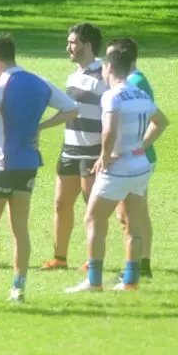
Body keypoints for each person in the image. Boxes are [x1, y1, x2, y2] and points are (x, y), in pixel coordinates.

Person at [0, 33, 78, 304]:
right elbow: (72, 109)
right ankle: (18, 289)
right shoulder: (39, 82)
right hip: (29, 163)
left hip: (0, 164)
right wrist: (41, 126)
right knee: (20, 228)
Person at [65, 45, 168, 293]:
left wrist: (105, 157)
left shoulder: (112, 96)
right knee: (133, 224)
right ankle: (131, 281)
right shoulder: (140, 95)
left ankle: (94, 280)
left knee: (93, 218)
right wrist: (140, 146)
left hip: (119, 168)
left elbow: (109, 130)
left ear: (109, 68)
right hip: (140, 166)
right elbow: (161, 122)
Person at [42, 23, 108, 271]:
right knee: (61, 204)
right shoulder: (74, 76)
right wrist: (41, 126)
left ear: (87, 45)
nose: (68, 47)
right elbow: (69, 111)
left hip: (92, 151)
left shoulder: (103, 75)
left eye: (72, 42)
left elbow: (112, 116)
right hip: (69, 148)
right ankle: (60, 258)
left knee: (92, 208)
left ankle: (93, 260)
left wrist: (105, 152)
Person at [107, 37, 157, 281]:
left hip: (136, 159)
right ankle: (140, 263)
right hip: (136, 158)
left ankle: (140, 264)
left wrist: (138, 146)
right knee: (130, 214)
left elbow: (155, 120)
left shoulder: (134, 83)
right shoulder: (134, 81)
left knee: (133, 214)